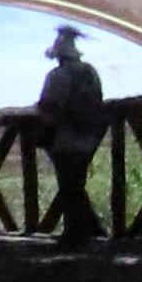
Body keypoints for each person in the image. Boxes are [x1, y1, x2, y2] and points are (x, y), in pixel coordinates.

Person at [37, 25, 108, 248]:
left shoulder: (57, 75)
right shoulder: (90, 73)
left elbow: (48, 106)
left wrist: (43, 132)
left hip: (64, 138)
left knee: (69, 185)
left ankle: (76, 233)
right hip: (88, 136)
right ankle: (90, 229)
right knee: (76, 183)